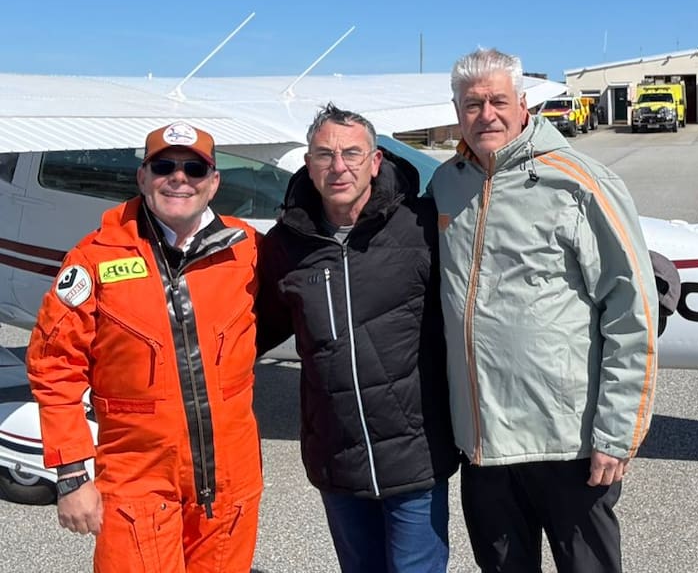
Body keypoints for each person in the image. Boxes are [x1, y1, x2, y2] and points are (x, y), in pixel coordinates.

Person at [429, 48, 658, 573]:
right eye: (472, 104)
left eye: (497, 101)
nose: (485, 115)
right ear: (457, 110)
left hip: (567, 444)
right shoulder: (447, 185)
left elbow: (632, 310)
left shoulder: (578, 182)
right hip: (484, 447)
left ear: (523, 104)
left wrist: (617, 434)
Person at [27, 121, 262, 572]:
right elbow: (53, 367)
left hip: (230, 482)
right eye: (164, 166)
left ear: (213, 183)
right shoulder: (94, 259)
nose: (179, 178)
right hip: (137, 482)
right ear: (142, 177)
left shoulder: (246, 249)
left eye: (194, 168)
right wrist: (72, 475)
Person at [255, 103, 457, 573]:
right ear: (308, 164)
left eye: (351, 153)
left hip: (415, 455)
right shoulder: (287, 243)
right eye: (325, 155)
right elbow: (250, 329)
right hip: (337, 456)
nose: (339, 167)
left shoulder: (421, 226)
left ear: (375, 161)